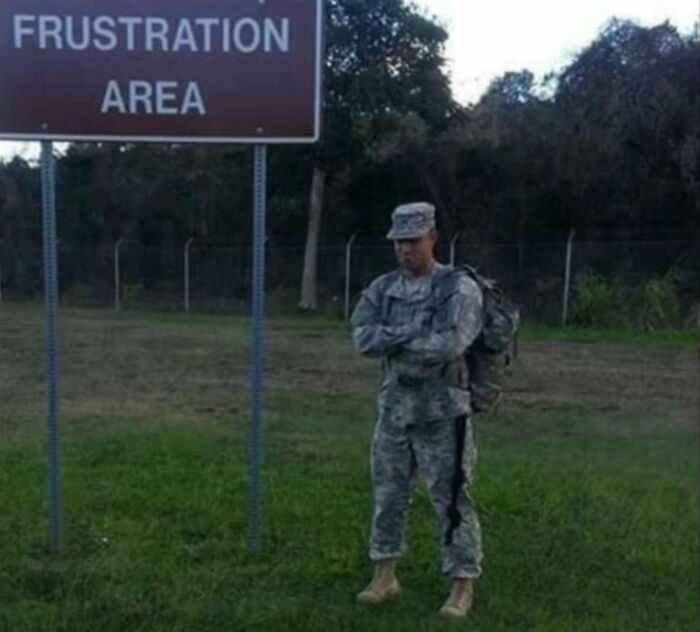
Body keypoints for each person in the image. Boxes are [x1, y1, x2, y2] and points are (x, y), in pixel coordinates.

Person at [350, 202, 484, 618]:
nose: (405, 249)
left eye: (413, 240)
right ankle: (384, 577)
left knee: (451, 500)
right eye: (398, 242)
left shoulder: (457, 288)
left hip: (443, 412)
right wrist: (412, 332)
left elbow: (449, 345)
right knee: (388, 495)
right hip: (395, 410)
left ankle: (461, 585)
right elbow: (362, 338)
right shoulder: (383, 288)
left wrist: (392, 341)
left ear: (432, 239)